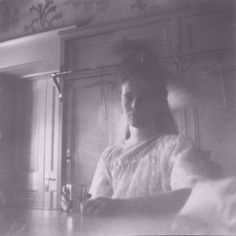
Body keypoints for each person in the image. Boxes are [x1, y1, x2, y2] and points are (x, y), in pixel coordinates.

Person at [81, 40, 221, 217]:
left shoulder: (177, 147)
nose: (135, 105)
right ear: (121, 102)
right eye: (128, 97)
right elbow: (98, 208)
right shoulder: (110, 156)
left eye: (145, 97)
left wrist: (121, 207)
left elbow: (194, 195)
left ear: (158, 102)